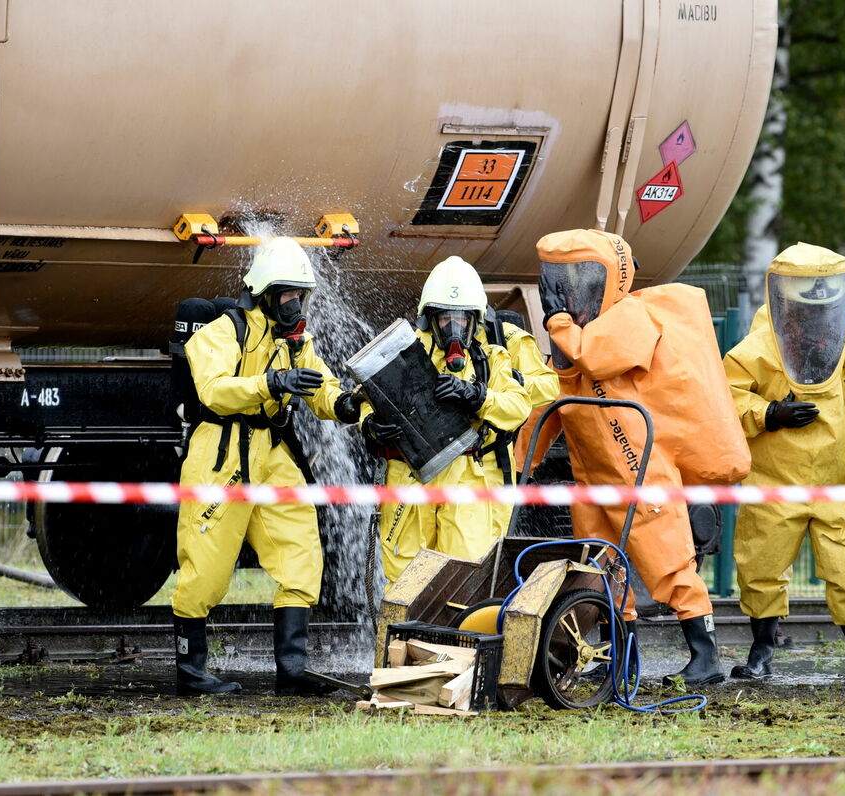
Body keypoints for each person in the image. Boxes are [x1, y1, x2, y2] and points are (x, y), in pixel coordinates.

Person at [539, 228, 743, 687]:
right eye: (559, 278)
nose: (567, 290)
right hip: (592, 475)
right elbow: (558, 391)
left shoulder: (627, 318)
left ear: (611, 277)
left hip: (637, 464)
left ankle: (705, 657)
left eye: (578, 276)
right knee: (600, 569)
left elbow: (593, 359)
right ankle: (620, 661)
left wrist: (557, 322)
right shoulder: (572, 333)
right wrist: (522, 455)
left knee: (667, 560)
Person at [170, 237, 361, 696]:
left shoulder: (295, 343)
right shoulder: (220, 332)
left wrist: (348, 404)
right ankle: (191, 672)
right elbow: (213, 390)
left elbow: (321, 388)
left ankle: (292, 672)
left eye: (302, 296)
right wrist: (271, 382)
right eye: (288, 296)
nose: (296, 306)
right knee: (206, 565)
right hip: (221, 452)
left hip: (273, 453)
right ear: (264, 293)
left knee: (300, 554)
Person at [723, 242, 845, 686]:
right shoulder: (760, 346)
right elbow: (727, 397)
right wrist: (769, 414)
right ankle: (761, 650)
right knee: (759, 565)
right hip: (775, 480)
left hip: (839, 483)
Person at [361, 255, 531, 582]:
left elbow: (517, 406)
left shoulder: (490, 358)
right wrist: (371, 427)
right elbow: (369, 398)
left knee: (462, 579)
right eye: (444, 319)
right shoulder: (404, 353)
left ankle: (454, 634)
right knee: (406, 585)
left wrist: (476, 395)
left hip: (468, 479)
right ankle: (403, 636)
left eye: (462, 320)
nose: (454, 329)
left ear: (474, 321)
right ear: (430, 319)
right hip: (411, 479)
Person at [479, 308, 559, 534]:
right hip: (501, 458)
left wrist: (516, 381)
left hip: (502, 459)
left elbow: (548, 391)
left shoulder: (507, 356)